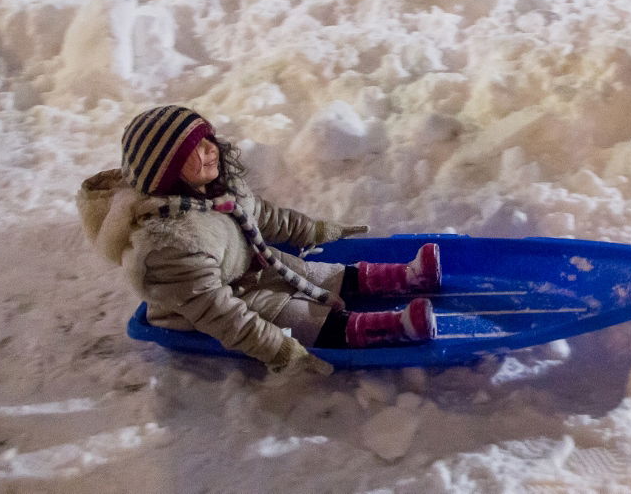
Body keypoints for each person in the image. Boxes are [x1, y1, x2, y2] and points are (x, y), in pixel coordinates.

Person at [78, 105, 443, 375]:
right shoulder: (168, 245)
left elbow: (265, 217)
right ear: (166, 170)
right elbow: (219, 314)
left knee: (313, 272)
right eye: (194, 147)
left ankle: (405, 277)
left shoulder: (215, 190)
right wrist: (280, 350)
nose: (210, 149)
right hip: (208, 306)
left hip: (245, 267)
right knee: (292, 315)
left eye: (208, 139)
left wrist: (315, 230)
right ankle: (389, 328)